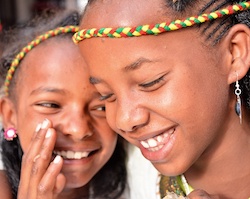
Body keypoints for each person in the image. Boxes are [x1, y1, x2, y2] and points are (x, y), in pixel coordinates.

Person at [74, 0, 250, 198]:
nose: (125, 120)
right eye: (106, 95)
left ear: (234, 53)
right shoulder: (126, 183)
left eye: (150, 82)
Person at [0, 10, 127, 199]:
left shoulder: (146, 178)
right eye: (51, 105)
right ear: (10, 114)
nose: (79, 129)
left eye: (101, 107)